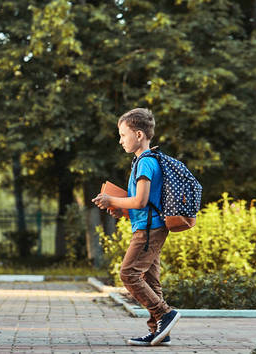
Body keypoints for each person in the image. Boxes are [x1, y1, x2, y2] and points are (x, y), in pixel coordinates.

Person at [92, 108, 180, 347]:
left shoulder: (145, 163)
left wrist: (112, 200)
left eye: (123, 134)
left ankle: (165, 313)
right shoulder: (145, 161)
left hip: (149, 230)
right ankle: (159, 331)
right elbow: (140, 203)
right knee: (151, 281)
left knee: (128, 273)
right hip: (149, 225)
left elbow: (140, 201)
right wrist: (120, 208)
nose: (120, 140)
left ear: (139, 134)